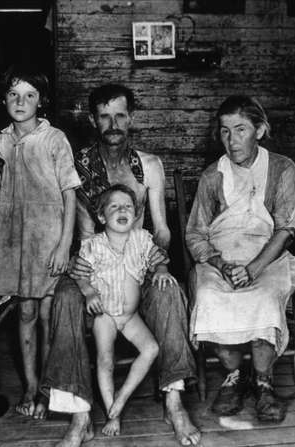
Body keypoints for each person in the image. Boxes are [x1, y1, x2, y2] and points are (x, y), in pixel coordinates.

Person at [41, 84, 200, 447]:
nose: (113, 124)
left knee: (170, 292)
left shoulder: (149, 165)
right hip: (90, 263)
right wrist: (82, 277)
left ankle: (173, 401)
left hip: (136, 262)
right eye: (104, 116)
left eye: (120, 115)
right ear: (93, 120)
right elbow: (71, 229)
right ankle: (80, 415)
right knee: (64, 300)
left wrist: (157, 267)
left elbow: (160, 229)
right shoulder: (76, 165)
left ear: (132, 117)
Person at [186, 95, 295, 422]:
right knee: (209, 295)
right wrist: (221, 265)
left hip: (268, 256)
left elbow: (287, 228)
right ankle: (234, 377)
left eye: (240, 130)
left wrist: (252, 269)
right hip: (221, 258)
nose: (231, 140)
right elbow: (195, 233)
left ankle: (263, 382)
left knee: (264, 296)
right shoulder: (212, 176)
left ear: (260, 130)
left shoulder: (282, 169)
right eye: (224, 131)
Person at [0, 65, 81, 419]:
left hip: (48, 240)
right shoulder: (0, 142)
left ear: (42, 101)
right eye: (13, 94)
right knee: (24, 311)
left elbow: (69, 193)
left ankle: (47, 389)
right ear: (4, 99)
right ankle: (29, 384)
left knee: (47, 313)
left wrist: (64, 244)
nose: (20, 101)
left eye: (29, 95)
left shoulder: (54, 139)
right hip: (15, 241)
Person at [77, 184, 177, 436]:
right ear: (101, 217)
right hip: (105, 316)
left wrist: (162, 271)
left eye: (128, 207)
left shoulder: (142, 239)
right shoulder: (93, 245)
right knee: (105, 359)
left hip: (131, 316)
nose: (122, 210)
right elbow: (80, 275)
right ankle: (113, 414)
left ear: (135, 213)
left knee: (152, 348)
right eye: (114, 207)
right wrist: (89, 293)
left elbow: (159, 258)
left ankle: (121, 397)